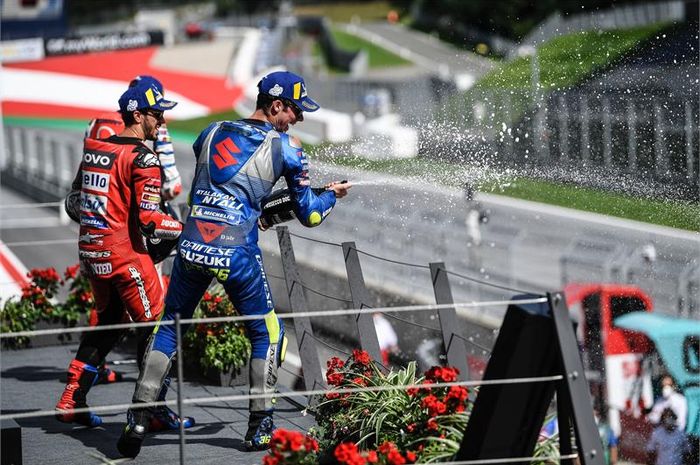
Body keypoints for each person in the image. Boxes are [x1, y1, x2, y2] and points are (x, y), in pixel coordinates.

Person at [117, 70, 352, 458]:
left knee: (169, 328)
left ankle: (137, 419)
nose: (300, 119)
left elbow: (223, 177)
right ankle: (259, 428)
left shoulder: (210, 131)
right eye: (295, 110)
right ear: (276, 105)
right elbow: (308, 214)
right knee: (269, 335)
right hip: (236, 251)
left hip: (191, 245)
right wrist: (331, 197)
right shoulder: (288, 148)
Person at [63, 75, 192, 432]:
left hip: (91, 254)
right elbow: (151, 221)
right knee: (158, 330)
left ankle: (71, 401)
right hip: (126, 255)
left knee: (106, 324)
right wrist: (189, 231)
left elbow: (74, 200)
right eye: (157, 114)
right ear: (138, 115)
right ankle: (149, 411)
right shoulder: (143, 157)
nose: (162, 122)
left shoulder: (95, 147)